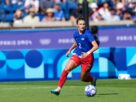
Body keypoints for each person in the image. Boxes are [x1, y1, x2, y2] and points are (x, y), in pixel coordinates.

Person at [51, 16, 99, 96]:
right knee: (66, 69)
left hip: (87, 58)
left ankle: (92, 79)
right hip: (78, 54)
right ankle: (58, 89)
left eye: (84, 24)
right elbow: (76, 43)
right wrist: (69, 50)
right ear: (77, 25)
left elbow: (96, 46)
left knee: (83, 79)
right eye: (80, 24)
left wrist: (87, 53)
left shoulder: (88, 34)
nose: (82, 25)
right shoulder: (75, 33)